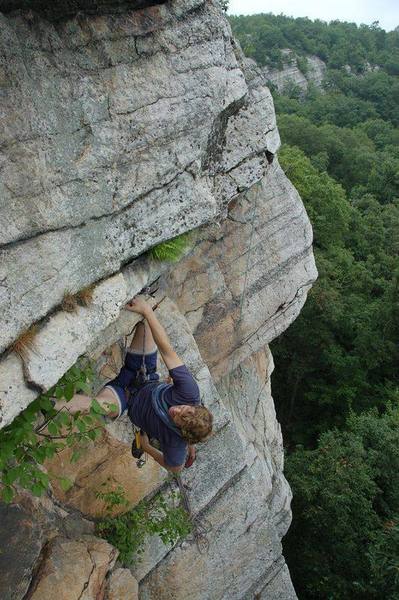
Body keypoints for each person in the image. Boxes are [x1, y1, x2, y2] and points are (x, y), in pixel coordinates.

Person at [54, 297, 213, 473]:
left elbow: (175, 468)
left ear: (183, 434)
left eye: (179, 419)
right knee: (146, 322)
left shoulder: (176, 444)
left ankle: (48, 405)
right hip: (143, 374)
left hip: (124, 398)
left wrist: (147, 448)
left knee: (99, 406)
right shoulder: (190, 393)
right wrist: (147, 310)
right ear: (194, 406)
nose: (177, 411)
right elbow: (167, 351)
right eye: (184, 409)